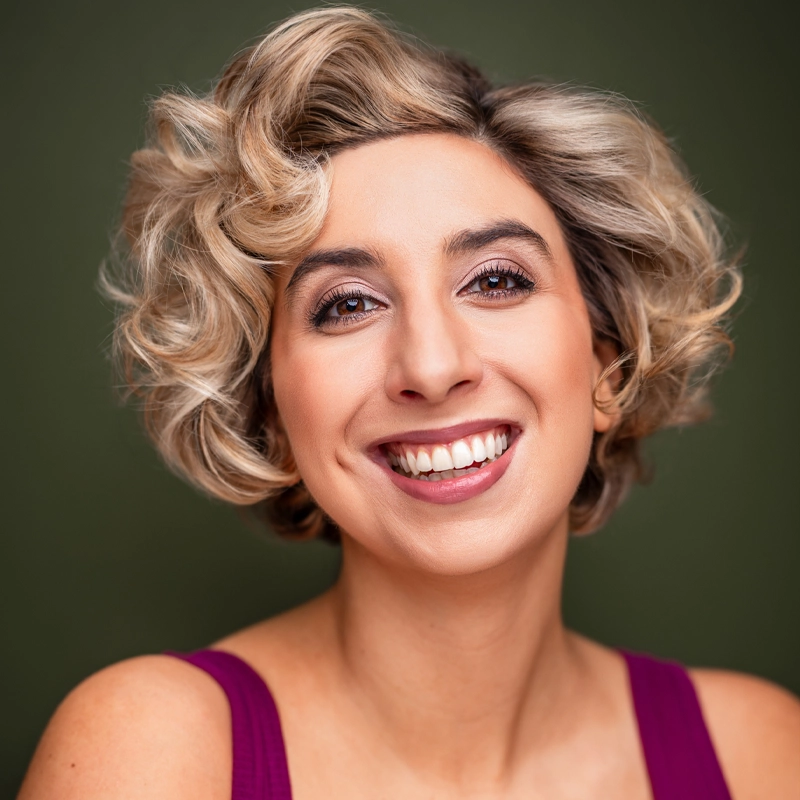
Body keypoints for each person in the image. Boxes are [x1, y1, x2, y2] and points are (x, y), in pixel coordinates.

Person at [18, 7, 800, 799]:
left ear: (609, 367)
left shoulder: (763, 756)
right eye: (348, 304)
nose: (431, 366)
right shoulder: (150, 753)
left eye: (497, 280)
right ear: (271, 413)